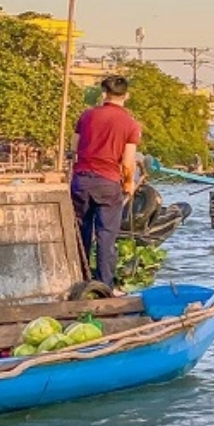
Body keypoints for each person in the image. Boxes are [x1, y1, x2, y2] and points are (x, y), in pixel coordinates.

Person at [71, 75, 142, 289]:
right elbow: (128, 163)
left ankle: (79, 280)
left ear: (104, 94)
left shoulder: (86, 116)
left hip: (81, 180)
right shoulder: (130, 124)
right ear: (126, 96)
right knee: (106, 236)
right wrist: (129, 184)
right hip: (108, 182)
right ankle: (104, 286)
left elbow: (74, 148)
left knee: (80, 232)